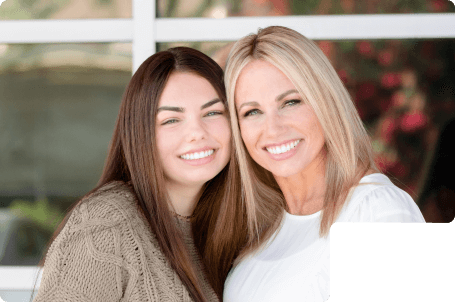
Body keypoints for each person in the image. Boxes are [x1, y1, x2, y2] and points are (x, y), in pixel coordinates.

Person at [222, 26, 426, 302]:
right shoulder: (260, 226)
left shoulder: (377, 212)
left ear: (325, 103)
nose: (273, 129)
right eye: (252, 111)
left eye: (291, 102)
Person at [33, 47, 247, 302]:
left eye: (212, 113)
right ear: (140, 133)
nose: (197, 132)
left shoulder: (236, 220)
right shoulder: (106, 224)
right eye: (171, 120)